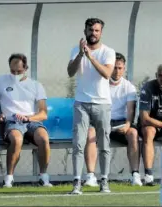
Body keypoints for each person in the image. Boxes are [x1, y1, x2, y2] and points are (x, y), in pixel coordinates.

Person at [67, 18, 116, 194]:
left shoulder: (108, 52)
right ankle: (77, 182)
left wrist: (90, 57)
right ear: (85, 31)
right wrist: (81, 54)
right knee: (78, 144)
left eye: (96, 30)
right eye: (90, 30)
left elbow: (106, 74)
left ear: (101, 32)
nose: (93, 33)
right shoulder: (76, 49)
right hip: (81, 103)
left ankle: (104, 181)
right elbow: (70, 73)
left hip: (102, 104)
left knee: (104, 144)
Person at [0, 53, 52, 188]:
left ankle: (43, 177)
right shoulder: (0, 81)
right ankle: (9, 178)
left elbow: (43, 113)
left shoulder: (36, 85)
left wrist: (28, 118)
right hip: (12, 122)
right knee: (17, 139)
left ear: (26, 68)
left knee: (43, 138)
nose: (15, 74)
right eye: (12, 71)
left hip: (32, 121)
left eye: (18, 71)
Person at [84, 52, 142, 187]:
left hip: (121, 124)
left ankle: (135, 175)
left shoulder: (129, 87)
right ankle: (91, 176)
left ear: (124, 68)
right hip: (102, 122)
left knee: (133, 133)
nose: (117, 71)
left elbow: (131, 111)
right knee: (90, 133)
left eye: (120, 68)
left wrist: (127, 125)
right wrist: (100, 123)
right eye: (114, 67)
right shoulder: (100, 84)